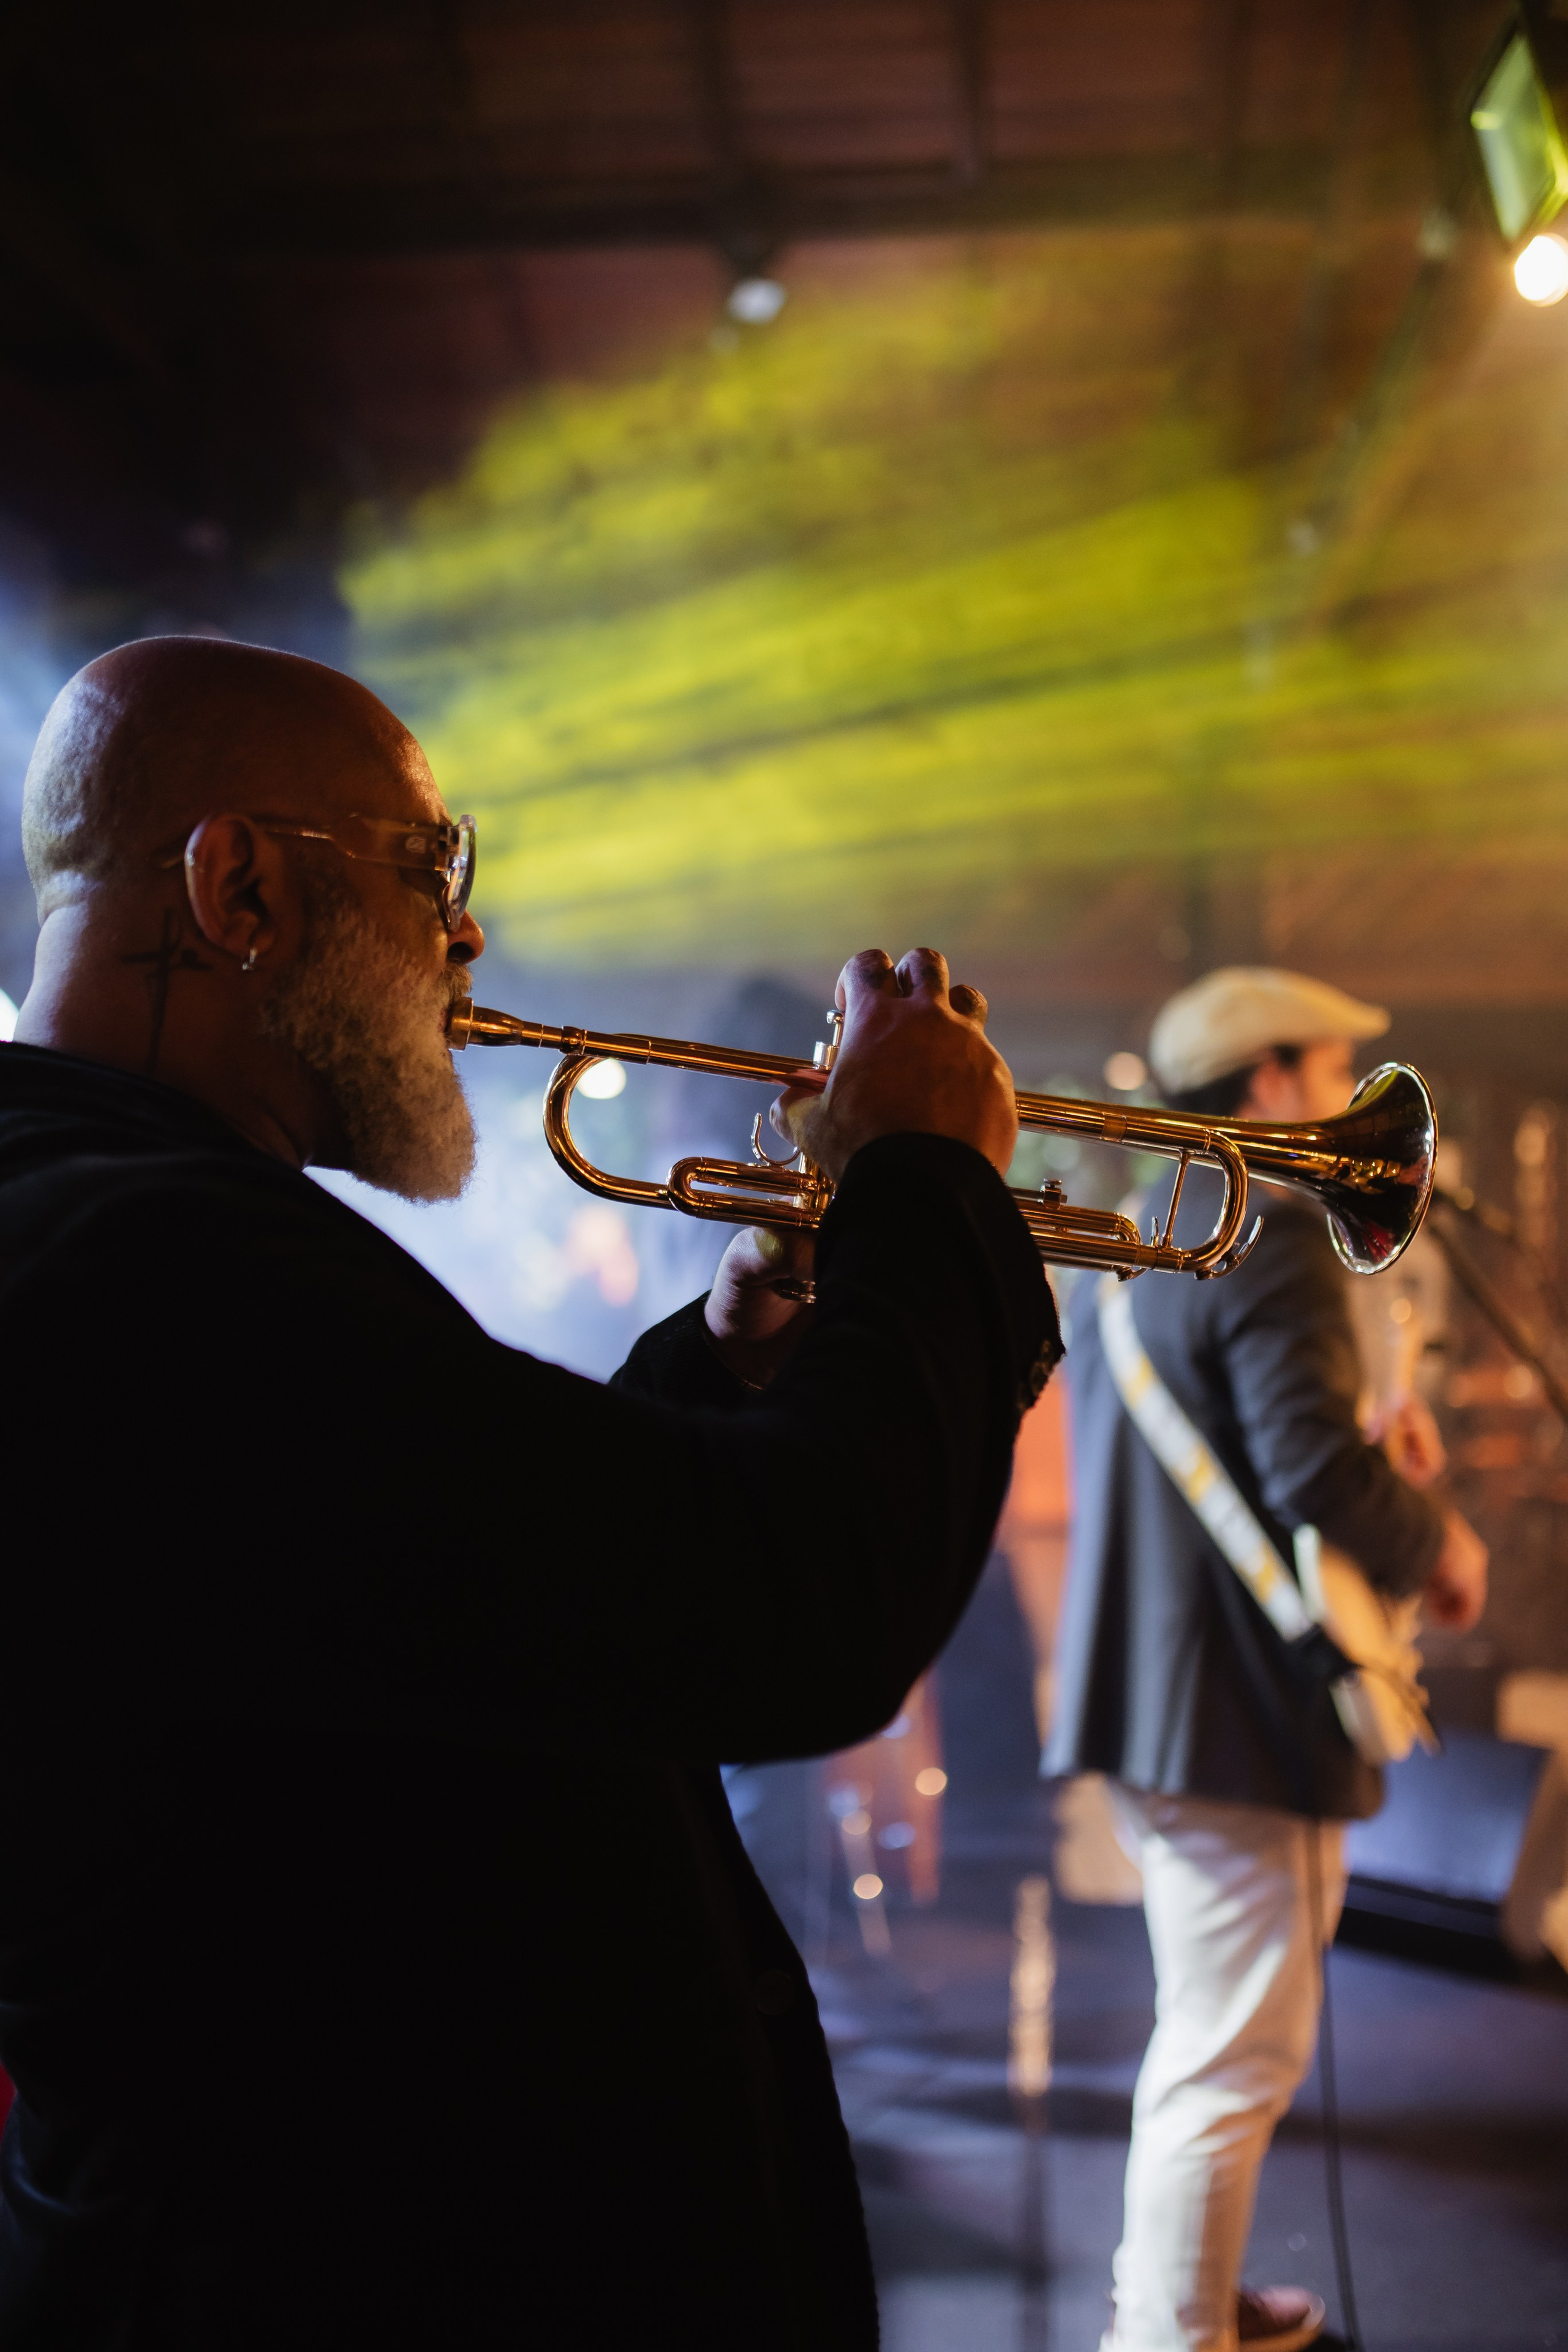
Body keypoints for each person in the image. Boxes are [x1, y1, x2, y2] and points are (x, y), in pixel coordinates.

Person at [0, 636, 1058, 2350]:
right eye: (435, 867)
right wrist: (928, 1185)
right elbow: (797, 1610)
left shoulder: (106, 1222)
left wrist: (714, 1375)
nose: (468, 933)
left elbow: (460, 1601)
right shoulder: (154, 1259)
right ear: (240, 885)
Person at [1046, 965, 1487, 2352]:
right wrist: (1440, 1542)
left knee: (1205, 2040)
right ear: (1265, 1082)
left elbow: (1249, 1458)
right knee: (1233, 2061)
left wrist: (1369, 1458)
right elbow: (1305, 1470)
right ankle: (1170, 2334)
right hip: (1245, 1719)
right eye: (1321, 1070)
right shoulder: (1281, 1240)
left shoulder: (1149, 1239)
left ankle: (1186, 2296)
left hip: (1158, 1710)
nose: (1343, 1099)